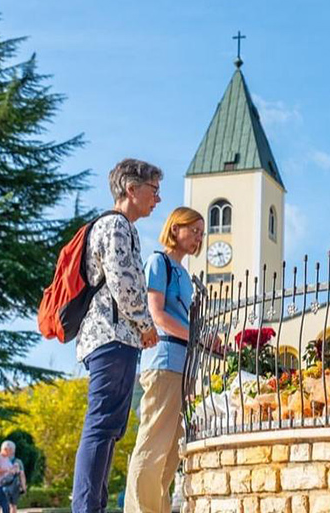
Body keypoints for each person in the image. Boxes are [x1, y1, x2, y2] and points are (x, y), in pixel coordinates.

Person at [72, 159, 163, 513]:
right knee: (100, 425)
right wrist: (145, 325)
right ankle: (86, 507)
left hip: (112, 337)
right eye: (153, 190)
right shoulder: (116, 226)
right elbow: (123, 282)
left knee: (108, 427)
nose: (157, 199)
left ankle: (92, 504)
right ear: (131, 189)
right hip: (112, 336)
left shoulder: (117, 226)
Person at [125, 207, 204, 513]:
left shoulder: (184, 274)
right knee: (153, 444)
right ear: (175, 229)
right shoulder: (159, 263)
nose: (198, 237)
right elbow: (156, 316)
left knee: (171, 452)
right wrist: (197, 337)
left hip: (182, 365)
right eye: (193, 230)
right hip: (163, 361)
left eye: (201, 232)